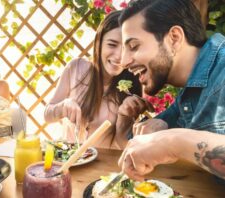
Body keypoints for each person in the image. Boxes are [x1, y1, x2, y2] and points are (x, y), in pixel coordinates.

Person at [117, 0, 225, 180]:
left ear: (174, 38)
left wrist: (171, 142)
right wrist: (162, 130)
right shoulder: (189, 93)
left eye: (134, 46)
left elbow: (169, 142)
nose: (123, 61)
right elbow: (135, 146)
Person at [44, 11, 145, 149]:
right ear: (99, 43)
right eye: (112, 44)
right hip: (69, 160)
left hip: (102, 165)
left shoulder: (132, 85)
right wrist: (63, 107)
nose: (119, 56)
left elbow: (124, 144)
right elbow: (47, 115)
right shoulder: (76, 67)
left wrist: (124, 117)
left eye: (126, 47)